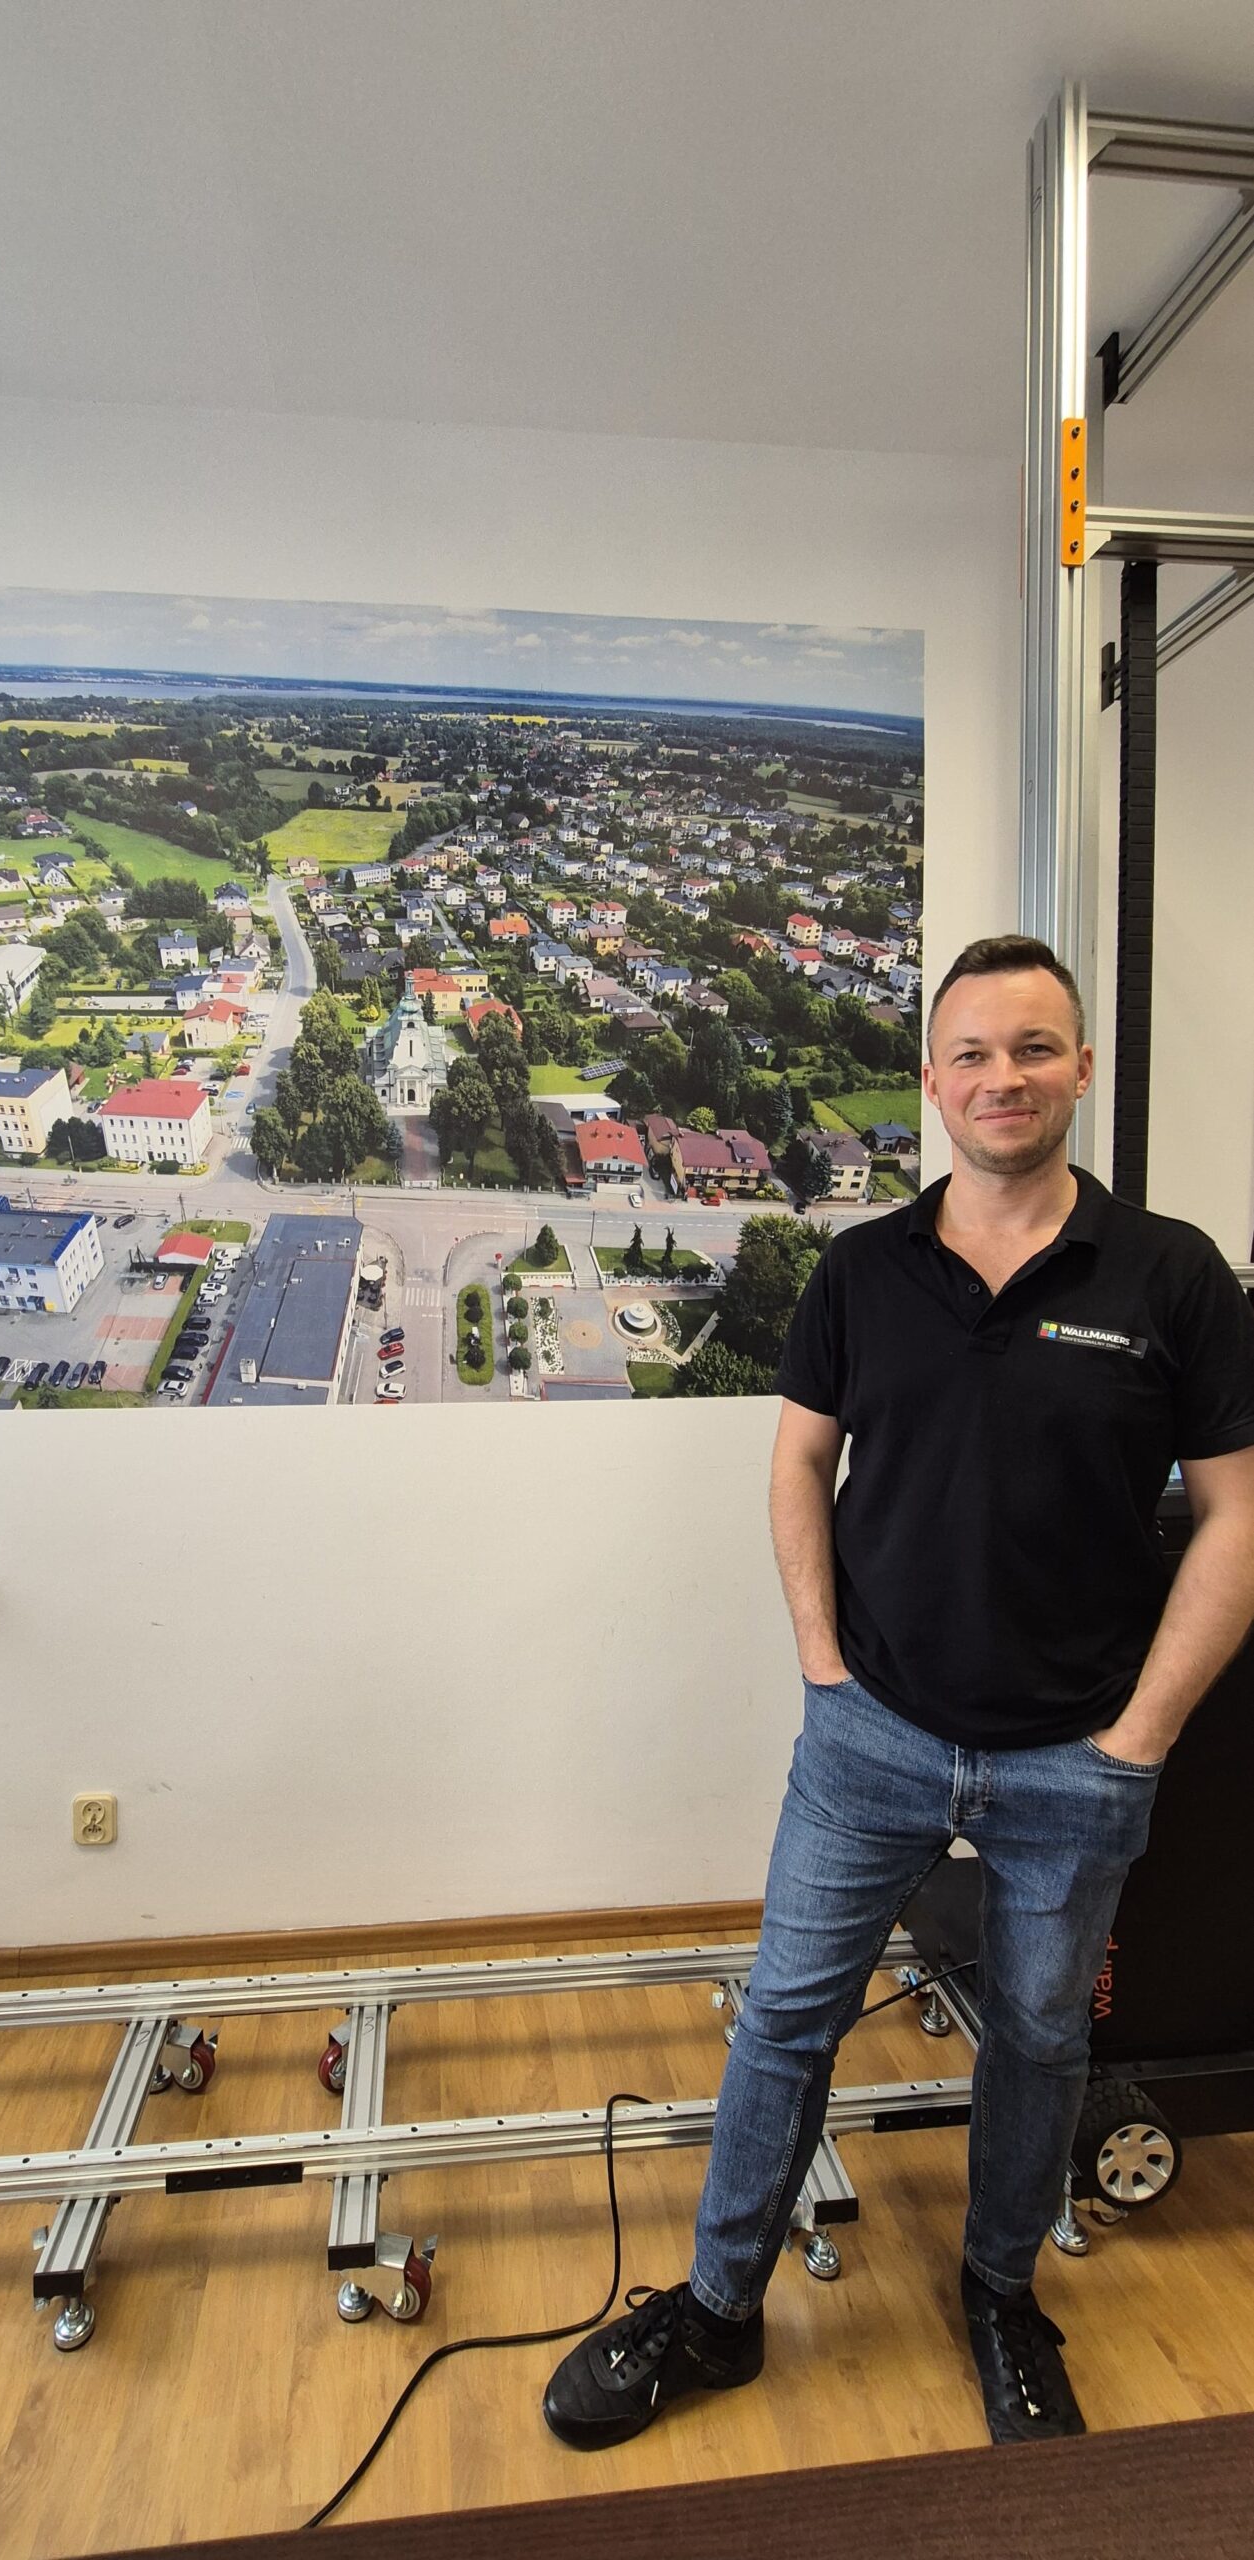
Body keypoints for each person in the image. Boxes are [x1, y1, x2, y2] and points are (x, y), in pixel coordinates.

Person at [544, 934, 1254, 2451]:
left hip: (1077, 1755)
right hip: (868, 1733)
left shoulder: (1172, 1275)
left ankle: (1000, 2294)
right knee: (785, 2020)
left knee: (1040, 2041)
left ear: (1078, 1069)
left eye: (1034, 1048)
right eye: (973, 1054)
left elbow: (1237, 1518)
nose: (1004, 1078)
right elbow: (799, 1463)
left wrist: (1139, 1739)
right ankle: (717, 2310)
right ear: (933, 1082)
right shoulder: (863, 1269)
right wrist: (822, 1665)